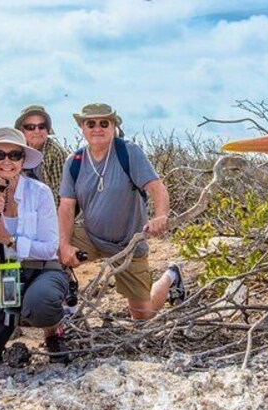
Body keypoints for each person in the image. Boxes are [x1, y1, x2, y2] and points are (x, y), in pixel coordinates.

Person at [58, 103, 185, 320]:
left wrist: (161, 216)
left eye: (104, 123)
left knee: (144, 315)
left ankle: (171, 276)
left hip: (128, 244)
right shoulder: (74, 162)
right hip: (91, 237)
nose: (97, 128)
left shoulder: (129, 153)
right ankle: (66, 312)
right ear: (82, 128)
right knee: (50, 252)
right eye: (91, 123)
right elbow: (67, 207)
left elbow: (156, 187)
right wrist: (63, 245)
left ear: (113, 126)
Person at [0, 127, 70, 375]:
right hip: (5, 275)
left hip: (43, 270)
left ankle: (53, 330)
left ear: (23, 161)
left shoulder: (40, 193)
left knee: (40, 303)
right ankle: (8, 327)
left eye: (14, 155)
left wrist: (9, 239)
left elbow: (48, 248)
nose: (7, 161)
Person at [0, 105, 68, 203]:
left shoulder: (56, 153)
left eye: (42, 126)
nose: (37, 131)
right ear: (21, 130)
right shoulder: (14, 149)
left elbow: (60, 196)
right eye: (30, 127)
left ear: (47, 129)